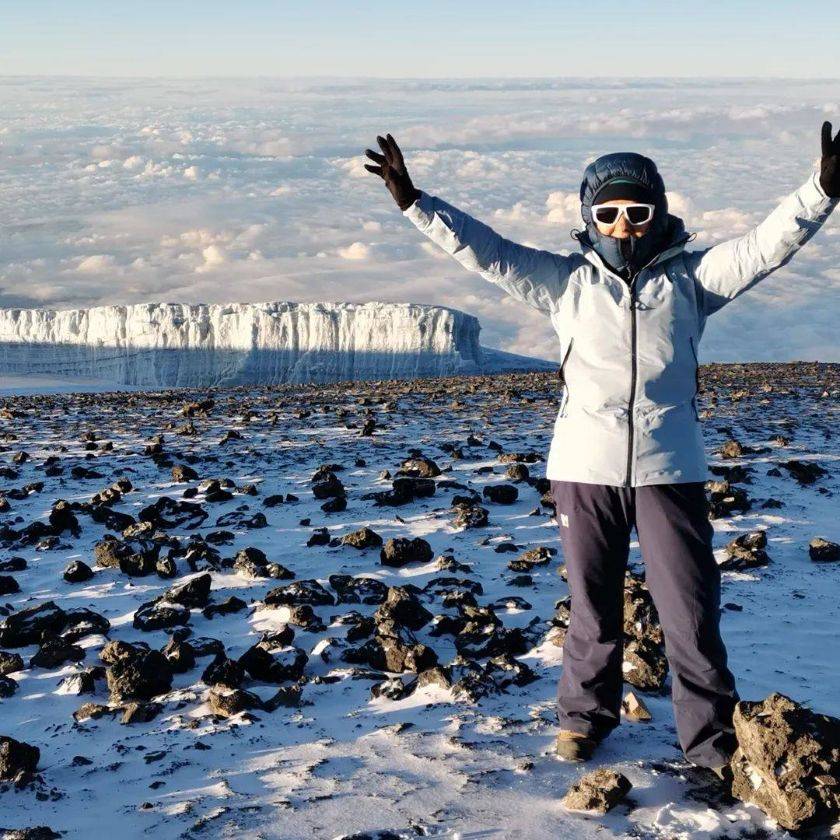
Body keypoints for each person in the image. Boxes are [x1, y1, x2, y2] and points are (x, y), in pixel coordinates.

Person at [364, 126, 840, 778]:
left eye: (637, 212)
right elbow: (488, 253)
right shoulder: (566, 284)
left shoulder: (692, 281)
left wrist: (820, 192)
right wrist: (417, 203)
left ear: (659, 214)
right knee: (593, 611)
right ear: (588, 218)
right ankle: (583, 724)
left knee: (690, 615)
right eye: (608, 213)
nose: (623, 226)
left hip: (669, 469)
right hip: (584, 470)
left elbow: (764, 248)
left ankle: (709, 746)